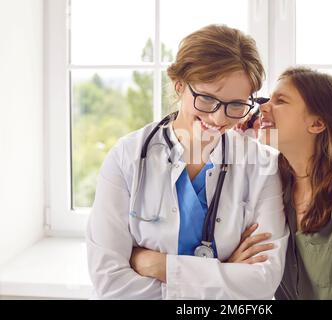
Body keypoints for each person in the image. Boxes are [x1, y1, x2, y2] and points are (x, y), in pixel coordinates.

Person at [86, 24, 289, 299]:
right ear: (179, 85)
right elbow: (110, 283)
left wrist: (160, 266)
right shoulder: (127, 158)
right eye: (207, 99)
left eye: (236, 105)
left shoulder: (261, 165)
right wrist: (223, 273)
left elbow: (262, 281)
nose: (219, 118)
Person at [233, 67, 332, 299]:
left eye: (281, 101)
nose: (263, 107)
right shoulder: (271, 182)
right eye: (267, 99)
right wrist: (240, 140)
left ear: (317, 124)